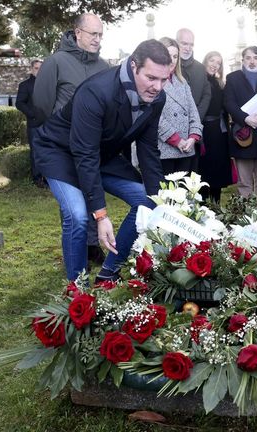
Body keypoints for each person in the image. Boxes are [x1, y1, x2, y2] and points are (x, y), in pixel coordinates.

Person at [33, 39, 172, 283]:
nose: (157, 87)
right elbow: (84, 154)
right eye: (151, 78)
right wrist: (101, 215)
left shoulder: (157, 98)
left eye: (164, 79)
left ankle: (108, 273)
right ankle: (78, 289)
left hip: (100, 154)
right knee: (77, 216)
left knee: (146, 202)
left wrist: (160, 202)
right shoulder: (96, 91)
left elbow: (149, 151)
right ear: (134, 66)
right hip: (60, 152)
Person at [32, 13, 111, 265]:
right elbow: (41, 105)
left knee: (92, 194)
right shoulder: (55, 62)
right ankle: (77, 255)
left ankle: (92, 246)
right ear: (77, 33)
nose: (97, 39)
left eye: (100, 35)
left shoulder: (105, 67)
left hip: (92, 147)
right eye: (93, 34)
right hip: (62, 146)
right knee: (73, 206)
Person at [224, 46, 257, 198]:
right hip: (242, 135)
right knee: (244, 183)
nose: (252, 61)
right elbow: (229, 102)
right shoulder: (232, 78)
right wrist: (246, 118)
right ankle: (245, 211)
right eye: (248, 58)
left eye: (255, 57)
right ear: (243, 61)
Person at [156, 37, 202, 175]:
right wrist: (177, 140)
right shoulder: (153, 81)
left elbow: (193, 112)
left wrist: (193, 137)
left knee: (184, 188)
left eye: (175, 56)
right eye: (168, 55)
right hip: (164, 150)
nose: (172, 60)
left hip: (186, 148)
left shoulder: (182, 82)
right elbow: (156, 117)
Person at [198, 51, 233, 203]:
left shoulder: (219, 83)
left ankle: (216, 204)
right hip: (205, 129)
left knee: (218, 169)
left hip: (219, 131)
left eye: (218, 63)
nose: (215, 65)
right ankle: (203, 205)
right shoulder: (199, 80)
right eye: (212, 60)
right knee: (205, 169)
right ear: (205, 60)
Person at [176, 28, 212, 171]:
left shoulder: (200, 68)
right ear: (176, 43)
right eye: (184, 43)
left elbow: (206, 95)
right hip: (173, 132)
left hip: (194, 130)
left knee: (192, 175)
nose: (188, 48)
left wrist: (196, 118)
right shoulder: (169, 65)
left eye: (191, 44)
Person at [14, 59, 44, 186]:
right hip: (34, 124)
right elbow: (19, 103)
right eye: (36, 68)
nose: (39, 71)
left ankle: (48, 179)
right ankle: (37, 180)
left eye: (41, 68)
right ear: (31, 69)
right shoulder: (25, 85)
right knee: (36, 152)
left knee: (48, 151)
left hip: (49, 124)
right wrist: (32, 114)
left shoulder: (48, 84)